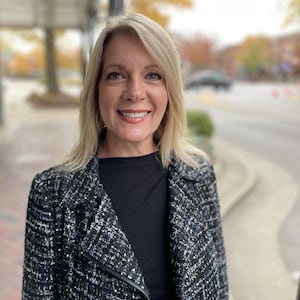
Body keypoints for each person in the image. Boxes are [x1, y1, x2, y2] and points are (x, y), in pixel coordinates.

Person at [22, 13, 228, 300]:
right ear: (96, 90)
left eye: (153, 75)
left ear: (170, 91)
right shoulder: (53, 193)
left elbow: (218, 287)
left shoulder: (199, 175)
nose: (134, 92)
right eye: (116, 75)